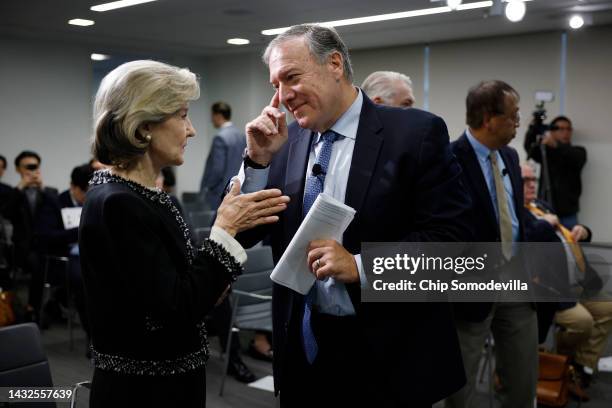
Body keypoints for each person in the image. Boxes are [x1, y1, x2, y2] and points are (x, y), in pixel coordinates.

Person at [236, 24, 472, 407]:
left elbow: (454, 241)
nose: (282, 97)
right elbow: (243, 236)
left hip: (386, 354)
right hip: (303, 350)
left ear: (334, 64)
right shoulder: (284, 141)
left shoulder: (415, 133)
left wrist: (362, 267)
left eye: (292, 78)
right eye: (275, 86)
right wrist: (257, 162)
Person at [79, 60, 289, 407]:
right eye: (182, 115)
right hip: (144, 393)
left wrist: (256, 163)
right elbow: (177, 309)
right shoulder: (119, 202)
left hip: (170, 382)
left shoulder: (142, 195)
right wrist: (223, 229)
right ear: (144, 125)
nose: (191, 130)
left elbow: (189, 283)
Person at [446, 80, 537, 408]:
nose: (518, 123)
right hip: (471, 286)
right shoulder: (449, 159)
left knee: (523, 375)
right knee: (462, 384)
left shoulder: (510, 156)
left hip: (517, 282)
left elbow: (515, 214)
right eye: (513, 116)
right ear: (488, 118)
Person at [522, 163, 612, 399]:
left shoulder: (541, 206)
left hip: (577, 283)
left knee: (607, 308)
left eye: (533, 180)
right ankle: (558, 362)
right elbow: (527, 243)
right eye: (525, 181)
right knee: (582, 322)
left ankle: (578, 368)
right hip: (549, 289)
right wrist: (544, 224)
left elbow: (564, 234)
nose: (532, 184)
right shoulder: (515, 212)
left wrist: (582, 230)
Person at [2, 150, 75, 324]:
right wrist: (20, 187)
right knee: (38, 263)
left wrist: (42, 189)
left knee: (65, 260)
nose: (32, 171)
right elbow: (6, 212)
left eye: (35, 167)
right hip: (23, 247)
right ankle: (32, 309)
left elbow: (59, 213)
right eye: (28, 167)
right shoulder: (14, 193)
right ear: (18, 169)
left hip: (46, 243)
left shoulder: (49, 192)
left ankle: (55, 303)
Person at [524, 115, 586, 228]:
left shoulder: (578, 152)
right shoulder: (546, 152)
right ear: (551, 132)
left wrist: (555, 144)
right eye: (561, 129)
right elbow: (529, 147)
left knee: (570, 244)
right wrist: (534, 128)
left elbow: (573, 157)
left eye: (568, 129)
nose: (565, 132)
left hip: (568, 213)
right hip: (545, 210)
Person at [199, 102, 246, 210]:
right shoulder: (242, 136)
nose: (211, 120)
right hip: (238, 192)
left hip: (220, 194)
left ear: (218, 116)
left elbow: (217, 170)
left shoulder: (220, 138)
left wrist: (207, 188)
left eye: (212, 116)